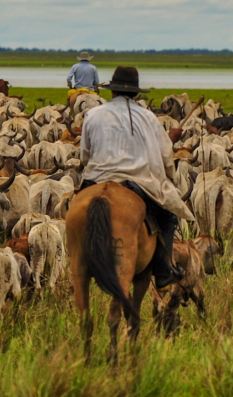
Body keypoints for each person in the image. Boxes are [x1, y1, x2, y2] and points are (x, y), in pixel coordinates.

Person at [79, 66, 190, 288]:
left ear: (112, 92)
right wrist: (171, 179)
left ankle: (77, 259)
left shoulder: (93, 114)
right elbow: (166, 156)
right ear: (136, 94)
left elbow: (84, 155)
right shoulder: (148, 118)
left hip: (96, 179)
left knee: (74, 210)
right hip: (137, 183)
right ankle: (163, 270)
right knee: (168, 216)